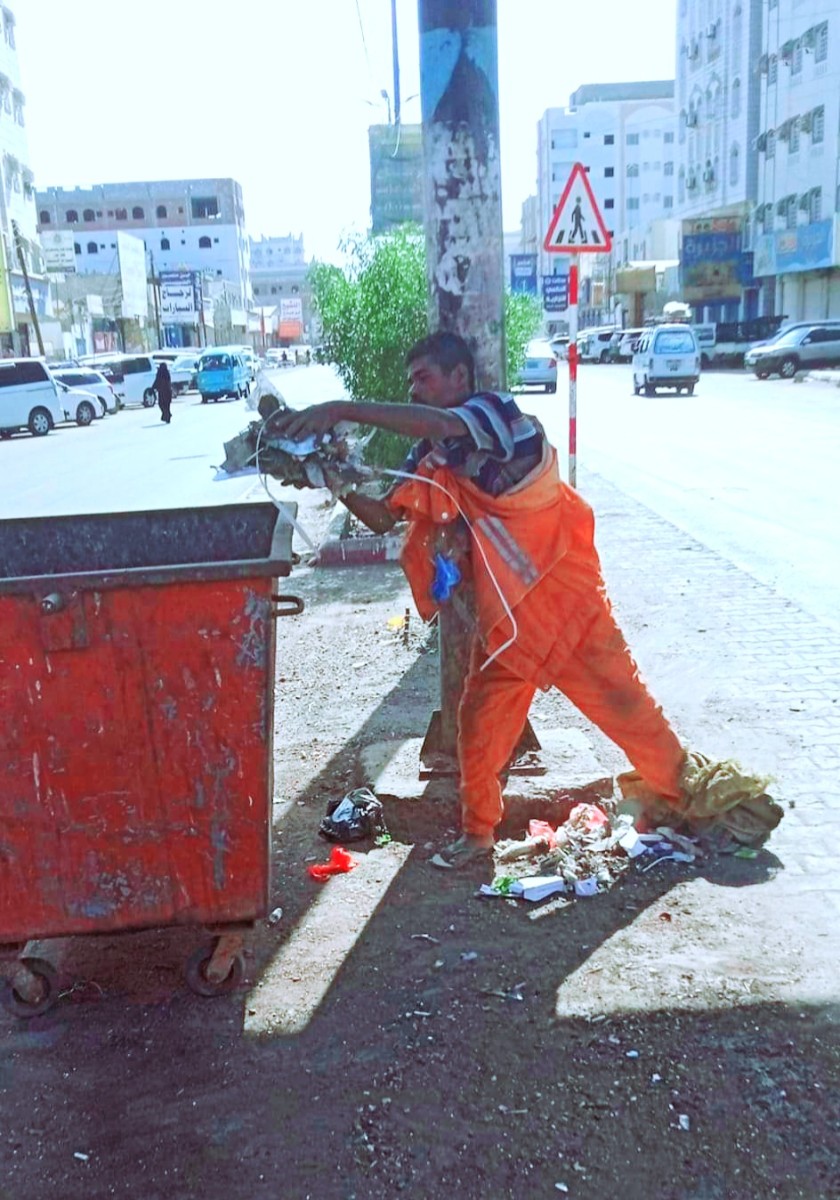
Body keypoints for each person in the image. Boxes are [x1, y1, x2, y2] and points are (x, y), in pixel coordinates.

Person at [273, 331, 778, 869]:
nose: (414, 390)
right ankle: (478, 834)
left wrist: (339, 409)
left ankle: (702, 795)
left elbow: (446, 425)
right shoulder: (432, 455)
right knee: (477, 724)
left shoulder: (495, 413)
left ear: (460, 378)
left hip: (568, 600)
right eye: (412, 381)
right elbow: (382, 516)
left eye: (424, 378)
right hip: (511, 618)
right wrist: (326, 474)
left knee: (633, 715)